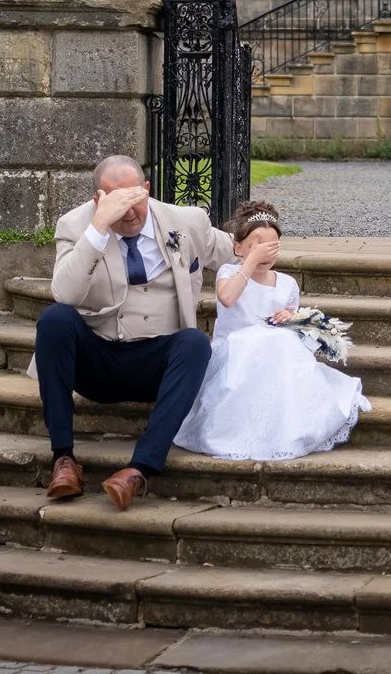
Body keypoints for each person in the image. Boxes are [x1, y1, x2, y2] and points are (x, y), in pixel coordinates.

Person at [29, 154, 236, 511]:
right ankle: (64, 459)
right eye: (115, 201)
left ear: (146, 189)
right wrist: (98, 230)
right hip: (98, 361)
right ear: (98, 199)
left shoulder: (185, 221)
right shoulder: (74, 225)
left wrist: (264, 248)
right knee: (55, 320)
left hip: (156, 364)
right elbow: (64, 293)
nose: (128, 211)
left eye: (134, 199)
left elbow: (235, 249)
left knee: (195, 344)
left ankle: (138, 471)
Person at [174, 202, 372, 461]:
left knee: (279, 339)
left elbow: (291, 323)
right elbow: (227, 298)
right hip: (235, 354)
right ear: (238, 248)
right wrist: (249, 263)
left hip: (273, 357)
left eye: (272, 248)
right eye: (256, 248)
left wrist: (291, 317)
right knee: (260, 342)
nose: (264, 256)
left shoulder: (287, 283)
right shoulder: (230, 271)